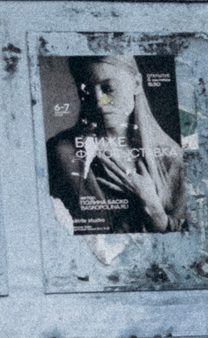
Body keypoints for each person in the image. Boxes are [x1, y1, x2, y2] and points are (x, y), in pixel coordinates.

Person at [46, 55, 187, 235]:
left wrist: (155, 211)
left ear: (136, 83)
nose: (98, 100)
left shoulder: (174, 158)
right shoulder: (60, 153)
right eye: (87, 90)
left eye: (107, 88)